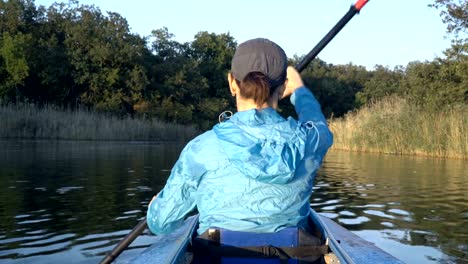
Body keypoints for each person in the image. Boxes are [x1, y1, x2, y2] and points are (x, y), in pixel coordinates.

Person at [146, 38, 333, 236]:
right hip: (292, 254)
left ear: (232, 83)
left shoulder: (201, 148)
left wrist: (154, 210)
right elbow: (318, 123)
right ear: (282, 87)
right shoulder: (311, 141)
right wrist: (300, 91)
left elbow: (162, 224)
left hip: (217, 255)